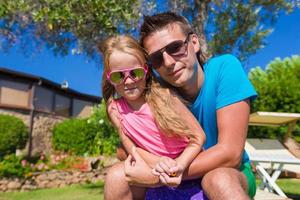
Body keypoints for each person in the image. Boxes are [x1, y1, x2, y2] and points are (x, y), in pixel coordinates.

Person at [104, 12, 258, 200]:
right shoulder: (155, 93)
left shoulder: (224, 68)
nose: (168, 62)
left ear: (194, 42)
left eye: (175, 47)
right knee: (116, 176)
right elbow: (123, 149)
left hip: (227, 171)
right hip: (173, 168)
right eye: (157, 59)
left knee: (218, 179)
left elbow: (230, 154)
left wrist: (161, 176)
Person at [100, 35, 207, 199]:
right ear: (109, 77)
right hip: (154, 171)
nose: (128, 81)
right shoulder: (114, 108)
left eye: (135, 73)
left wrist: (177, 165)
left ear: (146, 71)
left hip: (188, 173)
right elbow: (128, 142)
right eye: (118, 76)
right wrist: (158, 162)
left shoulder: (165, 97)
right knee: (116, 177)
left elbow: (198, 136)